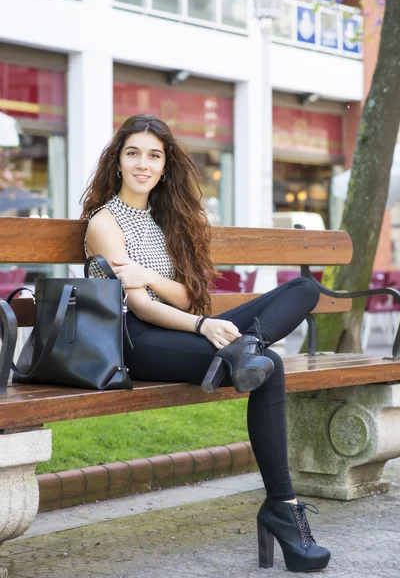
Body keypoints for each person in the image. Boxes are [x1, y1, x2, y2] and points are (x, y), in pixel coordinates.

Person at [81, 114, 330, 573]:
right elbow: (142, 307)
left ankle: (246, 345)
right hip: (138, 342)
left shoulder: (165, 220)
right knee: (269, 365)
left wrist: (154, 279)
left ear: (164, 166)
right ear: (117, 162)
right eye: (133, 153)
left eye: (153, 156)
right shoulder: (105, 223)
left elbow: (188, 295)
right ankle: (284, 509)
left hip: (183, 325)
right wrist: (201, 327)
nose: (143, 164)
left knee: (304, 290)